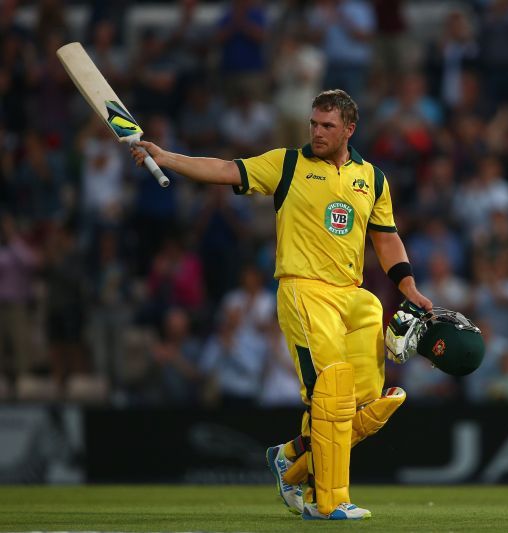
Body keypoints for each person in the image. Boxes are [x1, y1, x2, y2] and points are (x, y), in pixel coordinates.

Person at [131, 89, 432, 521]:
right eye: (314, 123)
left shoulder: (374, 178)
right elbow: (223, 169)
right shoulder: (287, 163)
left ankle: (291, 458)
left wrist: (408, 286)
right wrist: (168, 157)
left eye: (328, 125)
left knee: (364, 403)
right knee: (332, 392)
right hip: (304, 289)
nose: (318, 132)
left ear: (350, 129)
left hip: (355, 295)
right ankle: (328, 503)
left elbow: (385, 238)